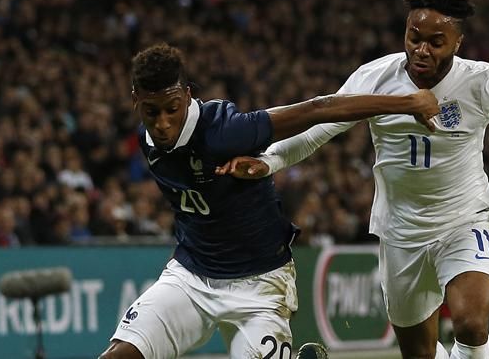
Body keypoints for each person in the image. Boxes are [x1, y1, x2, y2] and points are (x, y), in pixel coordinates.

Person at [217, 0, 489, 359]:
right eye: (414, 36)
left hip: (465, 220)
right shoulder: (375, 78)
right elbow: (319, 129)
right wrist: (271, 161)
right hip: (400, 233)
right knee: (420, 354)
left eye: (436, 42)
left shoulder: (483, 83)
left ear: (457, 43)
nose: (422, 50)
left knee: (470, 322)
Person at [98, 43, 439, 359]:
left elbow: (319, 109)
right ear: (135, 101)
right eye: (151, 111)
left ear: (187, 96)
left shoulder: (224, 131)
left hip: (260, 286)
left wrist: (407, 104)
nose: (162, 123)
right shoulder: (146, 139)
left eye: (172, 109)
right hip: (191, 277)